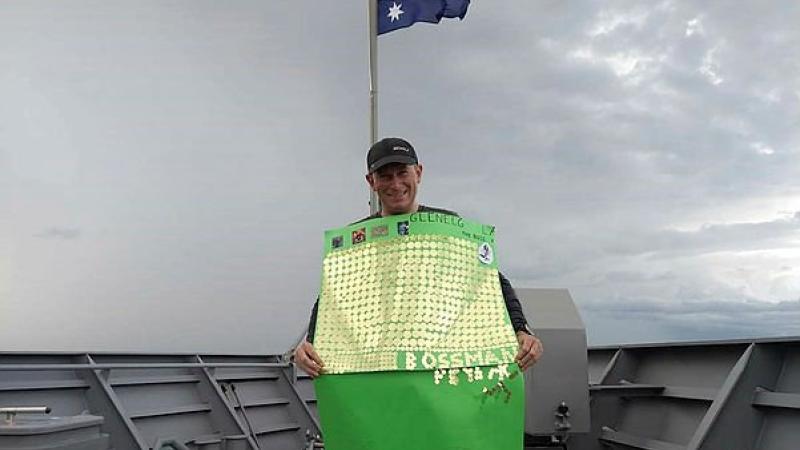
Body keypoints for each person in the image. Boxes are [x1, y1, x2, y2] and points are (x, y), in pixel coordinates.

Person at [294, 137, 543, 377]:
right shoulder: (357, 240)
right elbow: (333, 298)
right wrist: (310, 342)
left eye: (402, 173)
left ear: (419, 173)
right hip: (378, 367)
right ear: (371, 181)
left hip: (442, 366)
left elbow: (491, 281)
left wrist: (522, 330)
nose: (395, 184)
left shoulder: (448, 227)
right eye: (385, 176)